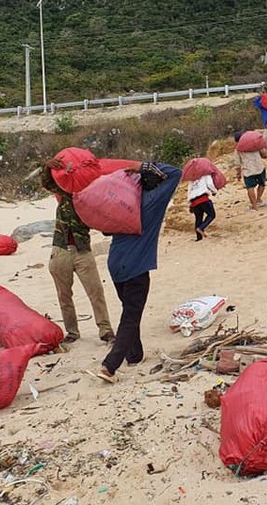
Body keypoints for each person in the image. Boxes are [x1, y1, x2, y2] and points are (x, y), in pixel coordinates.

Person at [99, 161, 182, 382]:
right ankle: (110, 364)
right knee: (131, 316)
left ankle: (134, 355)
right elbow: (175, 173)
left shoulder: (122, 204)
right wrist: (141, 165)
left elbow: (106, 230)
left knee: (128, 309)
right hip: (136, 265)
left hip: (115, 263)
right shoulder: (153, 202)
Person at [41, 159, 115, 345]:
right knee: (64, 295)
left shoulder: (91, 201)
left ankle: (105, 330)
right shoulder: (64, 195)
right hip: (61, 250)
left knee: (95, 291)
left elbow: (104, 223)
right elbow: (47, 183)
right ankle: (72, 332)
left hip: (82, 251)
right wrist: (48, 166)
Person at [234, 131, 267, 211]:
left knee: (250, 187)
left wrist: (238, 174)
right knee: (262, 183)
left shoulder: (238, 149)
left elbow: (237, 163)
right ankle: (258, 200)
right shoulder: (254, 143)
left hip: (248, 170)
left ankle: (254, 206)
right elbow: (263, 154)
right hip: (260, 167)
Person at [188, 172, 217, 241]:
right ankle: (201, 228)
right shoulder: (206, 174)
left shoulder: (192, 179)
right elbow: (210, 184)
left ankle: (199, 238)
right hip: (203, 198)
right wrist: (214, 191)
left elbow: (189, 191)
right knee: (211, 215)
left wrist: (189, 204)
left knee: (198, 218)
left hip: (194, 201)